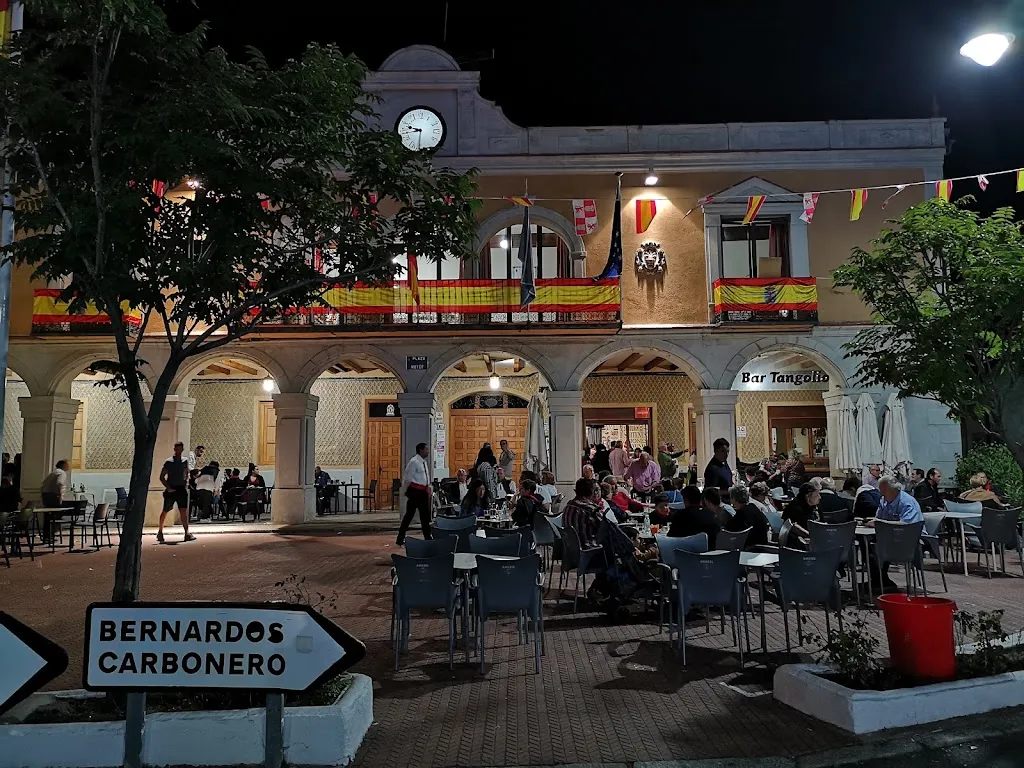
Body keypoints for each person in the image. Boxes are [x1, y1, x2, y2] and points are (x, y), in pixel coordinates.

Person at [866, 476, 923, 592]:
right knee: (866, 544)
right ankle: (879, 580)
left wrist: (880, 523)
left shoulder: (907, 503)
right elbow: (879, 518)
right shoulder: (884, 500)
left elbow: (906, 526)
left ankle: (882, 581)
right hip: (891, 537)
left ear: (892, 491)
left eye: (882, 490)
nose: (880, 493)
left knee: (875, 548)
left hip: (911, 541)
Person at [157, 442, 195, 544]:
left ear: (182, 449)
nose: (178, 451)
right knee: (165, 510)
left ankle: (187, 533)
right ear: (174, 449)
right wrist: (168, 488)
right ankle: (160, 531)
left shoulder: (185, 461)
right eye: (176, 449)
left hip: (181, 489)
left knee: (183, 511)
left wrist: (186, 483)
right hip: (172, 488)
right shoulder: (169, 462)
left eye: (180, 449)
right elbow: (161, 476)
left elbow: (187, 473)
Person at [396, 442, 432, 546]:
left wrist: (428, 487)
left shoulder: (423, 462)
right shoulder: (414, 462)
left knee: (425, 516)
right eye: (426, 449)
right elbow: (407, 478)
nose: (428, 451)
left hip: (423, 492)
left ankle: (428, 537)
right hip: (416, 492)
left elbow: (425, 477)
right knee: (409, 516)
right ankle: (400, 538)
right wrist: (407, 491)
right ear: (421, 450)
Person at [667, 484, 720, 549]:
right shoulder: (711, 515)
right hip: (708, 555)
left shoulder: (680, 516)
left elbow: (670, 538)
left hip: (685, 555)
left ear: (685, 500)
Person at [561, 477, 604, 549]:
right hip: (590, 549)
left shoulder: (568, 506)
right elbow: (605, 529)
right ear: (591, 492)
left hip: (571, 550)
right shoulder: (591, 510)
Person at [725, 485, 770, 549]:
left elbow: (728, 530)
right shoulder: (753, 507)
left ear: (734, 499)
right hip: (763, 546)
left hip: (751, 549)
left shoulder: (741, 513)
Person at [782, 482, 820, 548]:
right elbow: (793, 526)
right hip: (797, 542)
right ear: (807, 497)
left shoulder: (813, 506)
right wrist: (811, 535)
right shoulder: (795, 507)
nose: (819, 497)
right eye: (816, 495)